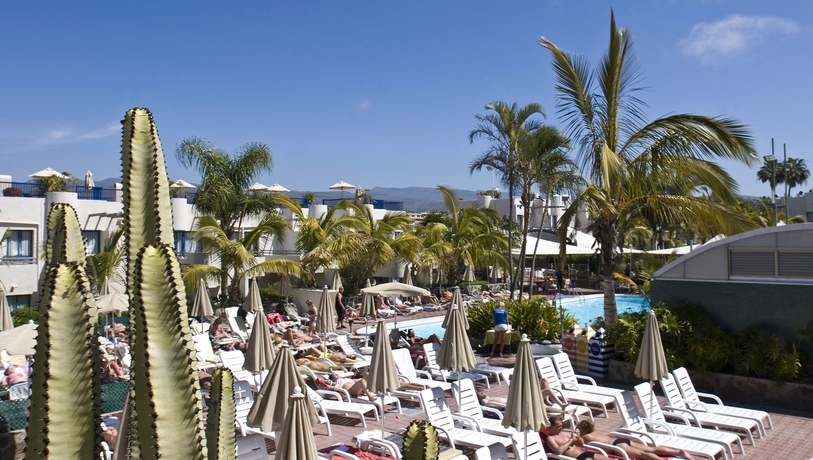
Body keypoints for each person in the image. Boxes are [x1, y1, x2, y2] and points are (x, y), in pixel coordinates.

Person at [577, 419, 695, 460]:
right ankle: (678, 452)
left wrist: (574, 434)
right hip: (619, 440)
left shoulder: (585, 437)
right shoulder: (594, 432)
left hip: (618, 448)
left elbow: (577, 442)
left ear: (582, 428)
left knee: (642, 454)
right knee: (651, 449)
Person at [540, 416, 611, 460]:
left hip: (585, 453)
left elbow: (581, 443)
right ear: (551, 427)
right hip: (577, 458)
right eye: (558, 426)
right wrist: (571, 440)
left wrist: (577, 436)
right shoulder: (550, 439)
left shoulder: (564, 434)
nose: (561, 428)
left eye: (561, 426)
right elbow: (559, 451)